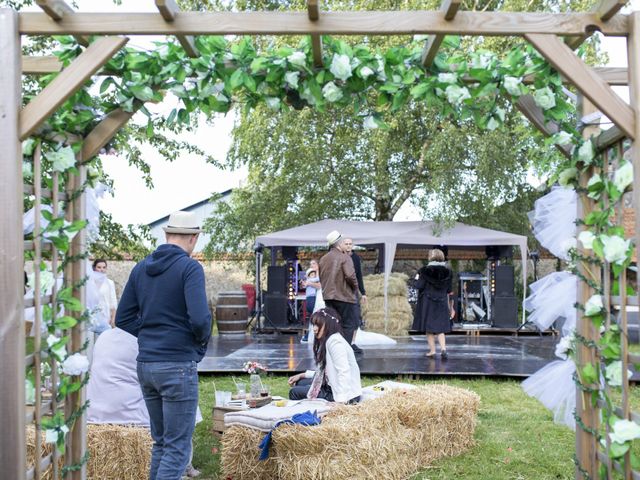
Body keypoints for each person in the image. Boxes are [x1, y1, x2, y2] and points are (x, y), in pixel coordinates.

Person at [116, 210, 212, 480]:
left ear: (166, 234)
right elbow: (200, 319)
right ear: (194, 238)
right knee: (178, 448)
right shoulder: (190, 268)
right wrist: (196, 344)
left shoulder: (140, 267)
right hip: (177, 364)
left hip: (146, 364)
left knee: (162, 443)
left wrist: (149, 334)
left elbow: (122, 318)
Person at [288, 308, 362, 404]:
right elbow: (325, 372)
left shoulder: (335, 343)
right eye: (313, 325)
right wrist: (302, 375)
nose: (314, 329)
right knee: (300, 382)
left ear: (328, 325)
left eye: (318, 325)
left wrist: (341, 402)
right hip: (331, 384)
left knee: (294, 392)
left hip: (346, 395)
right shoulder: (329, 340)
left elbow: (344, 372)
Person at [411, 249, 455, 359]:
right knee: (440, 328)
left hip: (428, 302)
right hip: (441, 301)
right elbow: (449, 289)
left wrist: (415, 278)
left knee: (429, 328)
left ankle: (432, 351)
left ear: (431, 257)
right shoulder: (448, 271)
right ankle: (443, 349)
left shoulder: (424, 271)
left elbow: (418, 285)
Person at [318, 230, 359, 348]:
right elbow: (351, 276)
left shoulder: (323, 259)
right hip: (344, 296)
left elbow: (322, 277)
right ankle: (344, 351)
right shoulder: (344, 257)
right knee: (348, 325)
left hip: (328, 297)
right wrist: (355, 289)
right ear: (339, 244)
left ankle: (331, 350)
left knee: (332, 325)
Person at [342, 238, 367, 354]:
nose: (348, 246)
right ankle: (343, 342)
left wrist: (363, 293)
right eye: (346, 244)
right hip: (341, 291)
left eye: (350, 244)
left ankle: (352, 342)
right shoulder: (339, 257)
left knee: (356, 317)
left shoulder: (355, 258)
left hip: (354, 290)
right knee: (343, 317)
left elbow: (359, 275)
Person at [90, 259, 118, 330]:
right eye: (99, 267)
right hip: (90, 316)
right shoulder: (89, 283)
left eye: (104, 267)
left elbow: (113, 302)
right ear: (94, 268)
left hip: (105, 317)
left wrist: (113, 319)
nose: (102, 269)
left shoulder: (110, 283)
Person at [300, 259, 320, 343]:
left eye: (314, 263)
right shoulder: (310, 276)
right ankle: (310, 335)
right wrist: (304, 283)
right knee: (314, 317)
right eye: (311, 264)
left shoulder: (319, 275)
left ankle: (311, 335)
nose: (312, 265)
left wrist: (308, 283)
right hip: (313, 298)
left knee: (316, 317)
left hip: (318, 297)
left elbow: (319, 285)